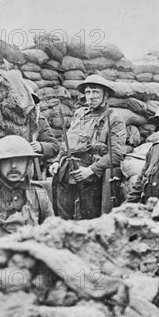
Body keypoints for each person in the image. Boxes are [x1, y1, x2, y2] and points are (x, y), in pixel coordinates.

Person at [49, 75, 126, 220]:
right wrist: (56, 160)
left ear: (106, 95)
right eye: (88, 92)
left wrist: (91, 170)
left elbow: (117, 153)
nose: (91, 97)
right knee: (63, 218)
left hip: (91, 178)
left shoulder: (114, 119)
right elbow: (68, 142)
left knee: (88, 220)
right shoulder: (80, 114)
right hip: (66, 171)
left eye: (96, 92)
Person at [28, 91, 59, 179]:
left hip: (33, 172)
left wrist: (41, 146)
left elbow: (54, 146)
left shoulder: (39, 122)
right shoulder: (8, 121)